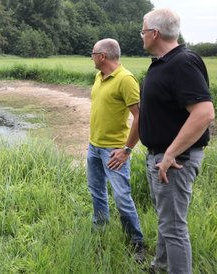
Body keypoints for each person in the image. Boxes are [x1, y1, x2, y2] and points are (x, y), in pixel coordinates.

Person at [139, 8, 215, 274]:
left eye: (143, 31)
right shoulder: (165, 62)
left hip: (174, 161)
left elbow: (204, 113)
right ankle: (160, 266)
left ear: (155, 33)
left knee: (174, 228)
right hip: (161, 156)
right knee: (166, 220)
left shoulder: (183, 62)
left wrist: (170, 154)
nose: (141, 36)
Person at [87, 38, 145, 262]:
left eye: (93, 54)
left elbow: (140, 117)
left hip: (114, 151)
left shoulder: (126, 79)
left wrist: (126, 150)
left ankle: (136, 243)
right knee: (97, 192)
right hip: (93, 147)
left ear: (102, 56)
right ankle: (100, 234)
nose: (91, 57)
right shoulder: (99, 76)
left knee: (121, 196)